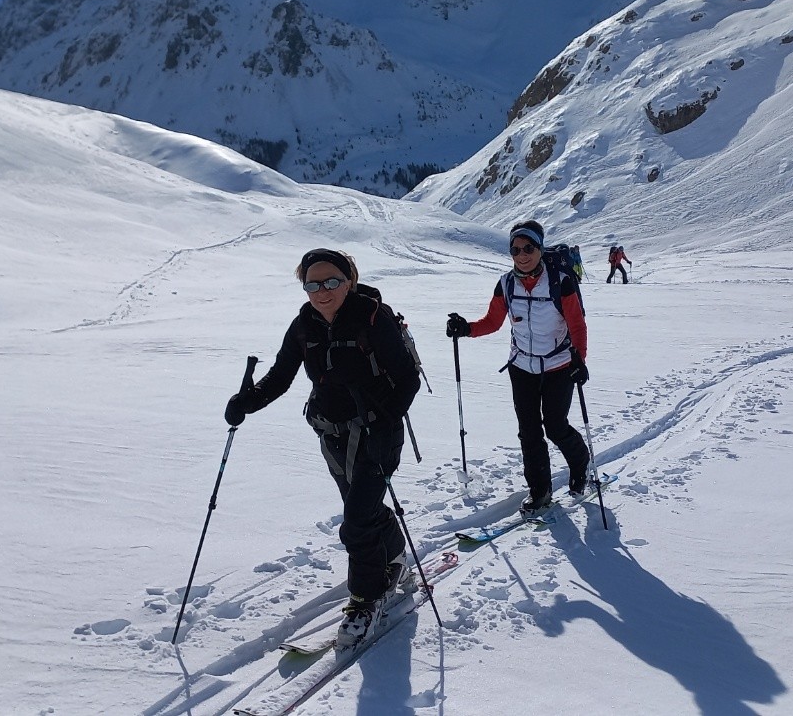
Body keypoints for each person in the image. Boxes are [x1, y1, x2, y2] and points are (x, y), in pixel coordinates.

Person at [224, 248, 421, 648]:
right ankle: (395, 558)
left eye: (331, 281)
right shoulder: (304, 325)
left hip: (377, 432)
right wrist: (247, 401)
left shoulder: (373, 318)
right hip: (330, 433)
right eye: (312, 283)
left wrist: (387, 422)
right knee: (363, 510)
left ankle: (366, 599)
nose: (322, 291)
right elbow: (281, 375)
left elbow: (407, 378)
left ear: (349, 280)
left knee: (355, 520)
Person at [446, 220, 591, 515]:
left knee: (555, 426)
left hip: (558, 365)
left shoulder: (559, 281)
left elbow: (576, 324)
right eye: (515, 249)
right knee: (528, 431)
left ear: (539, 248)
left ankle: (580, 462)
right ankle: (540, 490)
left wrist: (579, 359)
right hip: (521, 366)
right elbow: (492, 322)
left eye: (528, 248)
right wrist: (466, 329)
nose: (522, 255)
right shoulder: (506, 283)